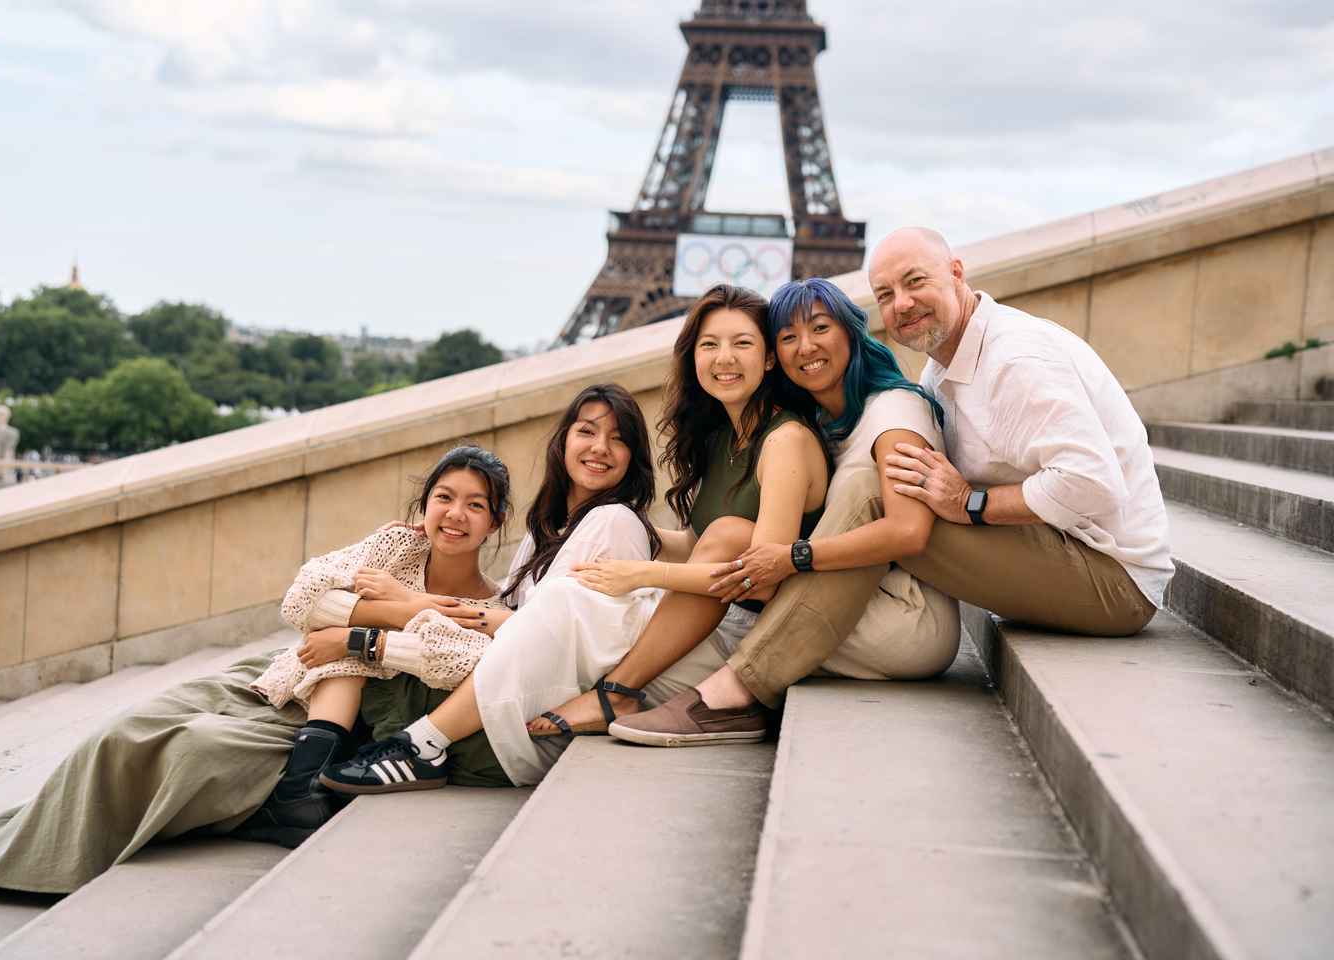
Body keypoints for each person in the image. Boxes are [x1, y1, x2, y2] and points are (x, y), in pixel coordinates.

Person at [615, 228, 1171, 746]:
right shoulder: (939, 372)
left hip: (1110, 578)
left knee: (871, 490)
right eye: (885, 294)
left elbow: (1092, 484)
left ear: (957, 272)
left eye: (916, 282)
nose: (901, 303)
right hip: (1051, 555)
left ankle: (736, 693)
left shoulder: (1015, 360)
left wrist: (969, 503)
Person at [0, 444, 514, 894]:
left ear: (495, 523)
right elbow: (304, 598)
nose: (455, 514)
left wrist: (358, 635)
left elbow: (465, 659)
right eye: (444, 496)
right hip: (290, 677)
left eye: (476, 505)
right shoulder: (394, 548)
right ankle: (13, 849)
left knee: (189, 750)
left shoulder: (492, 606)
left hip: (344, 718)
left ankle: (35, 861)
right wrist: (404, 610)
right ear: (424, 503)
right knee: (129, 727)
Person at [541, 277, 962, 746]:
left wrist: (643, 573)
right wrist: (615, 528)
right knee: (636, 571)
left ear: (766, 359)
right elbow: (703, 546)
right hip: (788, 593)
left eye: (742, 343)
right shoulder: (731, 434)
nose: (724, 358)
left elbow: (760, 569)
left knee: (678, 581)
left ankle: (618, 692)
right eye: (710, 344)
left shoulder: (826, 429)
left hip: (869, 611)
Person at [314, 381, 670, 791]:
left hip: (525, 722)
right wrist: (427, 541)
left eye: (618, 439)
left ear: (634, 458)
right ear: (564, 440)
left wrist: (389, 619)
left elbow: (543, 634)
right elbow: (513, 615)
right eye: (587, 431)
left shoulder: (614, 521)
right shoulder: (549, 527)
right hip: (507, 706)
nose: (600, 448)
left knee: (370, 667)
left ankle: (404, 751)